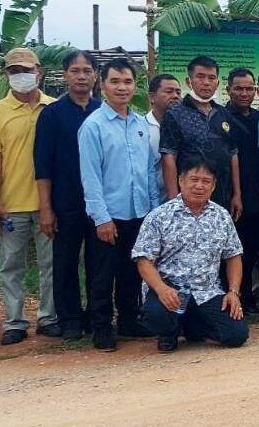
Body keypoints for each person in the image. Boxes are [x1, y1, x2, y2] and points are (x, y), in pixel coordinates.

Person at [78, 58, 158, 351]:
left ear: (134, 86)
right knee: (102, 274)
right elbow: (90, 176)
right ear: (102, 85)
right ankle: (101, 327)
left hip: (139, 212)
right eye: (115, 81)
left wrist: (153, 210)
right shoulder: (93, 126)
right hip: (109, 216)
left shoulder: (139, 124)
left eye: (127, 82)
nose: (121, 88)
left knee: (131, 270)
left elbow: (149, 170)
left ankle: (129, 321)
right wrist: (101, 218)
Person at [0, 48, 59, 346]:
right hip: (11, 203)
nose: (21, 76)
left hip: (48, 204)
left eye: (27, 70)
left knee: (50, 264)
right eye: (15, 71)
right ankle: (14, 321)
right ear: (6, 75)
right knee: (11, 265)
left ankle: (48, 317)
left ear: (39, 72)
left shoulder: (53, 109)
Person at [132, 157, 249, 353]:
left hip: (207, 291)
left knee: (236, 335)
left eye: (206, 181)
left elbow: (233, 256)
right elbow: (143, 260)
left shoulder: (221, 216)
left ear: (213, 186)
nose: (199, 186)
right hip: (170, 289)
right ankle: (168, 333)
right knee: (157, 315)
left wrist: (233, 292)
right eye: (194, 179)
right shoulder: (160, 216)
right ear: (181, 180)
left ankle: (191, 326)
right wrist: (161, 288)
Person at [34, 50, 101, 342]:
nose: (81, 76)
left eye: (87, 71)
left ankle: (96, 315)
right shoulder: (52, 114)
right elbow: (42, 165)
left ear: (95, 76)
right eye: (75, 71)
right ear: (65, 75)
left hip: (99, 203)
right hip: (65, 201)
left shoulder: (103, 111)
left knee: (99, 262)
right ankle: (70, 318)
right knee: (65, 261)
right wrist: (46, 208)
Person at [160, 56, 242, 221]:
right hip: (189, 197)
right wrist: (174, 202)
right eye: (200, 77)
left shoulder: (223, 114)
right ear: (189, 81)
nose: (206, 82)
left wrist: (237, 194)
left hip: (222, 195)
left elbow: (233, 155)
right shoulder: (175, 114)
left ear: (217, 83)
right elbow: (168, 158)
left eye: (211, 78)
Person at [225, 68, 259, 313]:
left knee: (253, 246)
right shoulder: (221, 118)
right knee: (233, 246)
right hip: (232, 193)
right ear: (228, 89)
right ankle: (233, 294)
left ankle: (250, 296)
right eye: (238, 88)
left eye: (249, 88)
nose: (244, 93)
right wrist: (235, 194)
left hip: (258, 191)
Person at [146, 73, 181, 206]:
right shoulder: (141, 128)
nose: (175, 96)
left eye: (178, 92)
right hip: (150, 201)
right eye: (169, 91)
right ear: (152, 97)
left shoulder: (185, 127)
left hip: (180, 199)